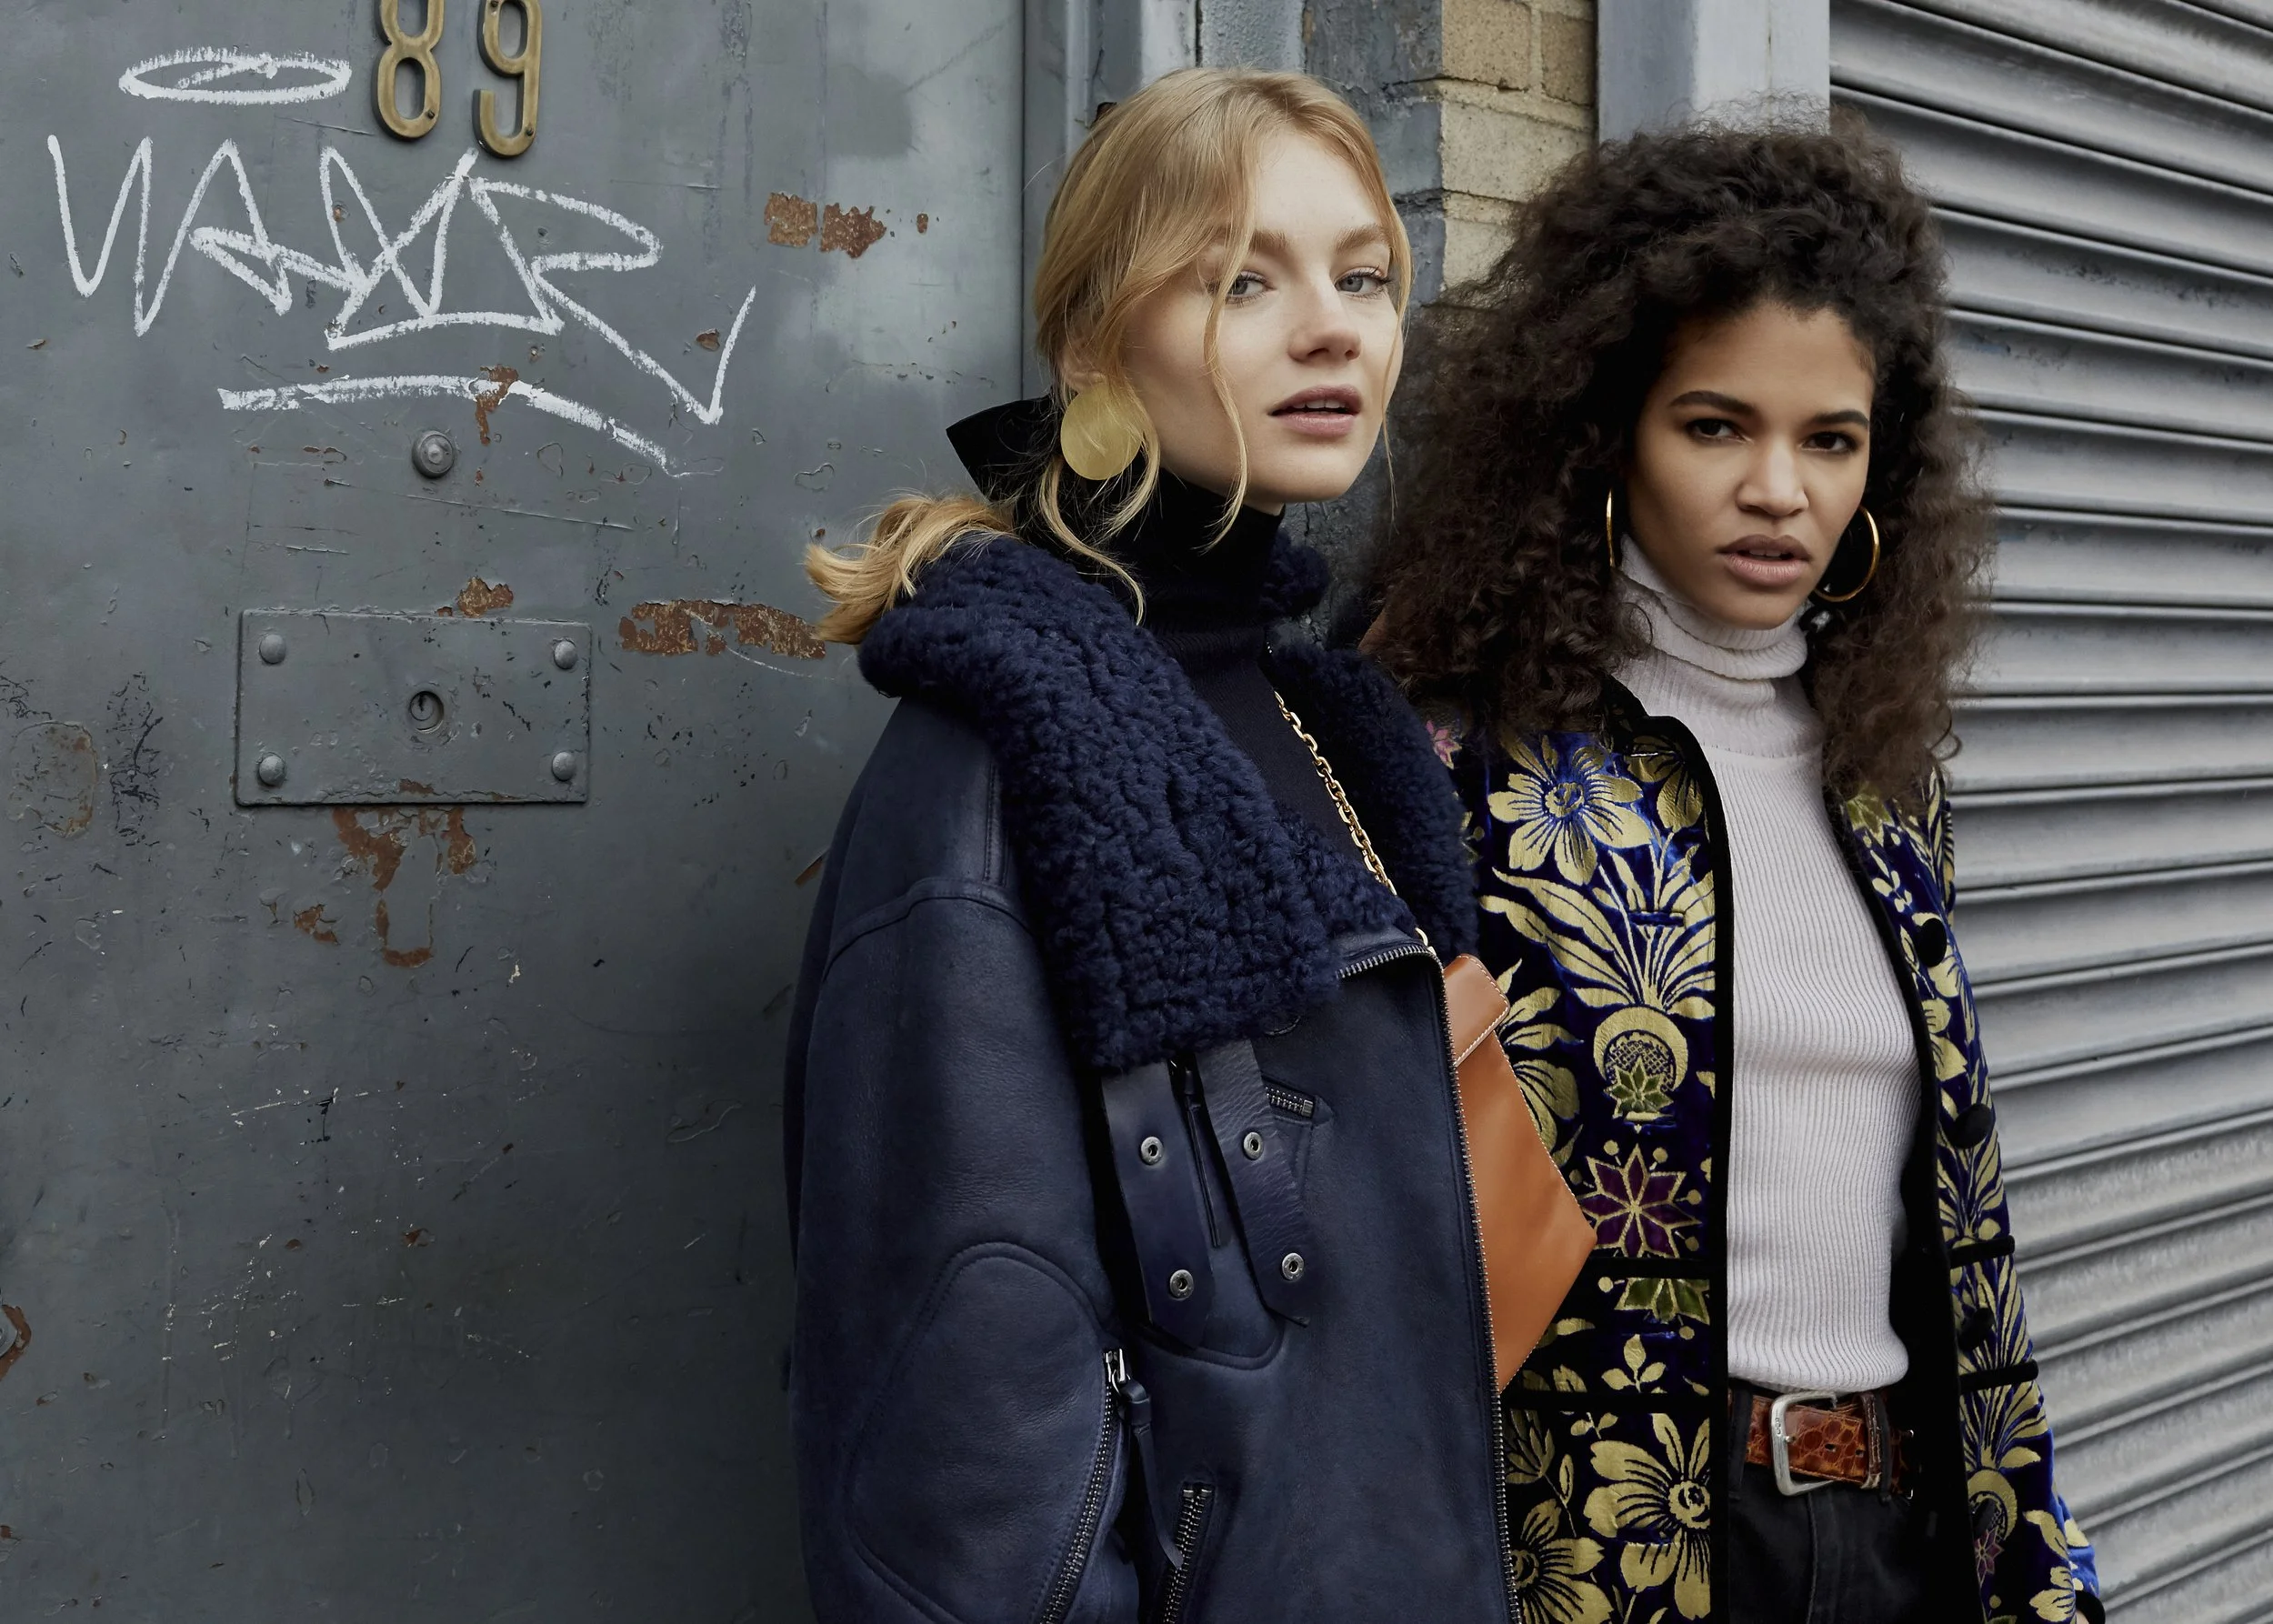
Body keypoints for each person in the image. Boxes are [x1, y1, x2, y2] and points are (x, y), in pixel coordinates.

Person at [784, 69, 1515, 1623]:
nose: (1332, 329)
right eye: (1242, 279)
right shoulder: (1001, 757)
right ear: (1094, 345)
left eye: (1363, 277)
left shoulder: (1337, 725)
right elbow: (963, 1471)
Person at [1367, 121, 2103, 1624]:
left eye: (1830, 439)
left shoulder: (1881, 778)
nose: (1780, 489)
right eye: (1716, 426)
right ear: (1606, 430)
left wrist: (2028, 1550)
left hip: (1891, 1532)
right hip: (1608, 1550)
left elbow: (1957, 1225)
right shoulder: (1460, 757)